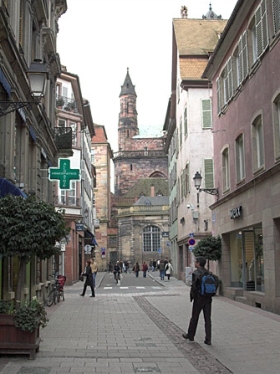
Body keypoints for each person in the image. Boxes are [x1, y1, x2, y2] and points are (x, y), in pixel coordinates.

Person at [182, 256, 212, 345]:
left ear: (198, 263)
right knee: (208, 319)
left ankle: (191, 335)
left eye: (196, 262)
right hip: (208, 298)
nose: (195, 263)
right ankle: (208, 339)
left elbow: (194, 287)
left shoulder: (196, 273)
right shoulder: (209, 273)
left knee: (194, 317)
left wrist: (193, 296)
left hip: (199, 298)